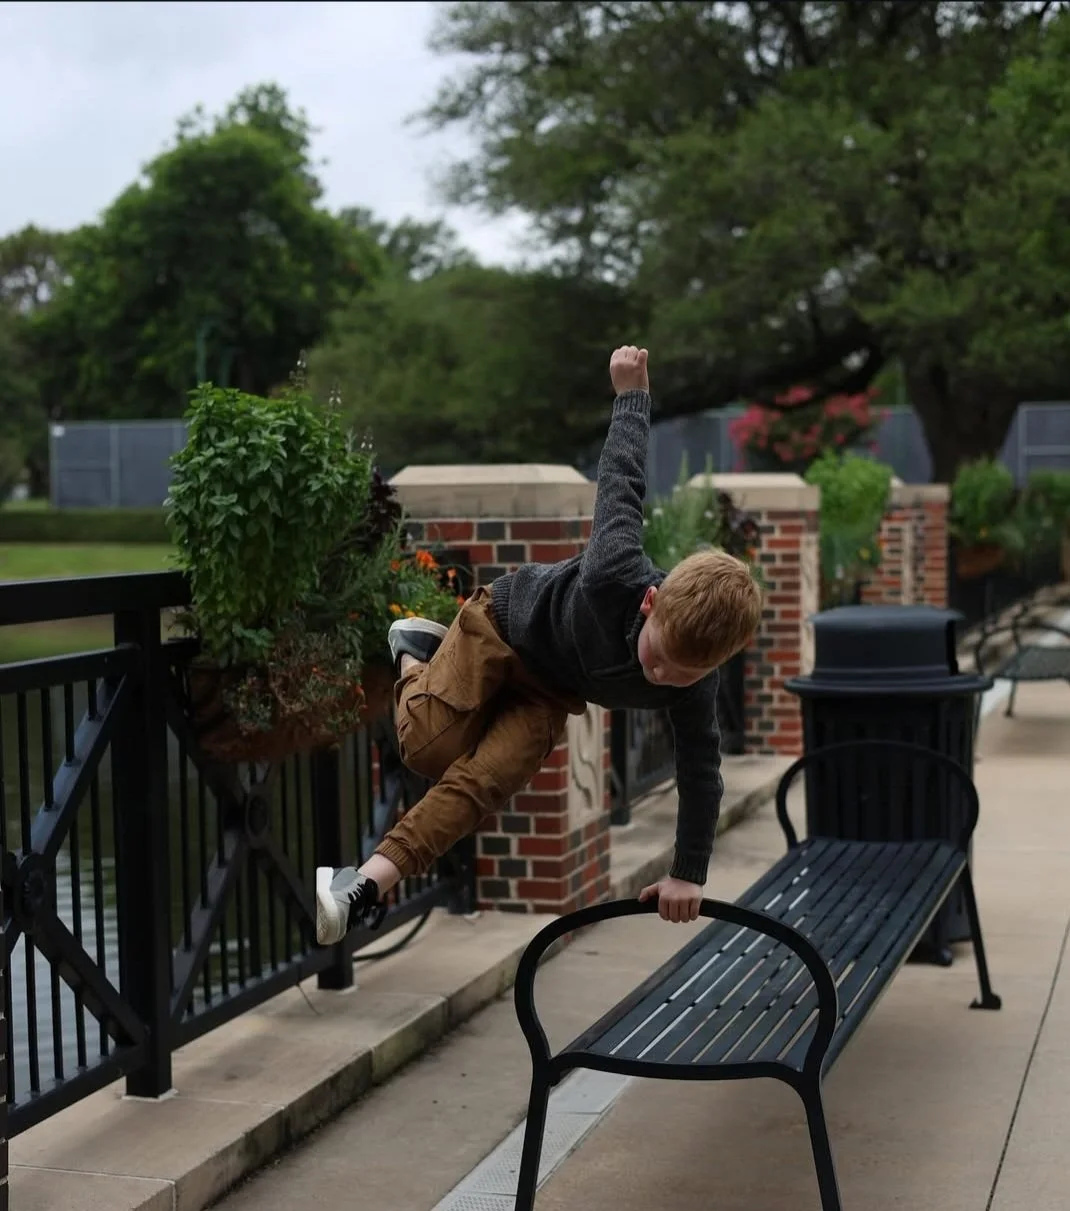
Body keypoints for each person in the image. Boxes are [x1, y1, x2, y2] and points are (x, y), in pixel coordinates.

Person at [315, 345, 764, 946]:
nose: (660, 675)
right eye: (658, 656)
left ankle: (360, 886)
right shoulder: (615, 572)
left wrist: (688, 874)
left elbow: (700, 770)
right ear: (650, 604)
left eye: (681, 674)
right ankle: (415, 647)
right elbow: (622, 481)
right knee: (425, 750)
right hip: (501, 627)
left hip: (550, 692)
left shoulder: (696, 681)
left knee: (482, 783)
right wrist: (632, 395)